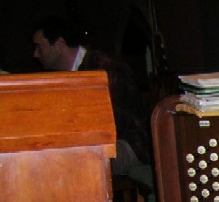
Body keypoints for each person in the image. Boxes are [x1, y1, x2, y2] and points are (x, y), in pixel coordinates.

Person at [32, 16, 150, 176]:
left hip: (131, 146)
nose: (35, 54)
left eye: (39, 47)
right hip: (101, 142)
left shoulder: (103, 68)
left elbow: (109, 125)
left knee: (69, 161)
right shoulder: (69, 74)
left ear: (59, 44)